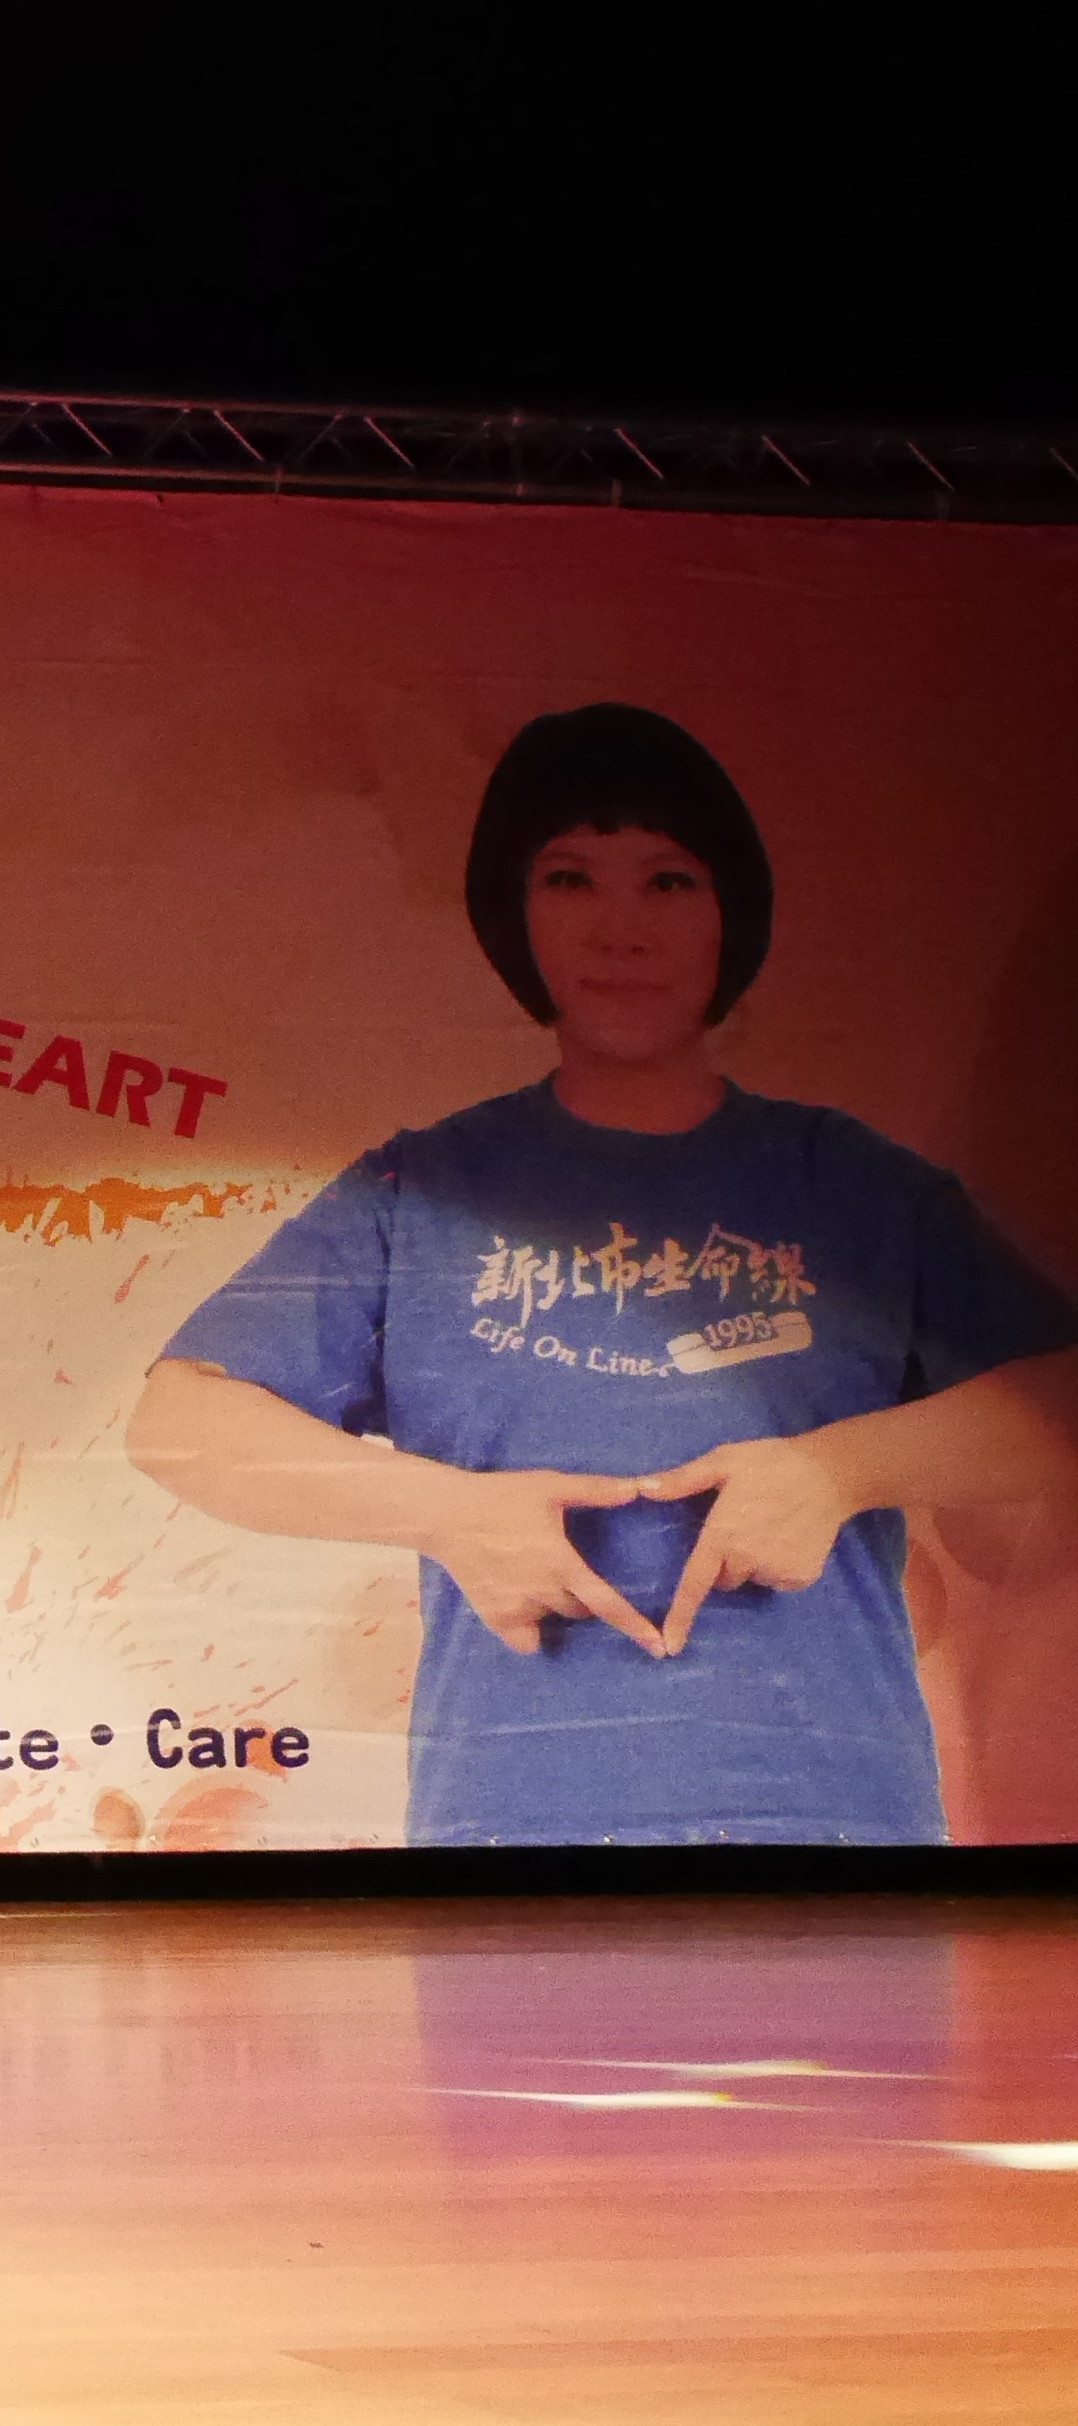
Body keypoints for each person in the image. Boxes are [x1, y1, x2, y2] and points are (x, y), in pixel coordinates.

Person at [127, 704, 1078, 1845]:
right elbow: (177, 1419)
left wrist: (836, 1473)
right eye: (570, 878)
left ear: (730, 913)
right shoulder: (421, 1193)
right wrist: (449, 1514)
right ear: (514, 915)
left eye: (667, 881)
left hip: (835, 1841)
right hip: (511, 1844)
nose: (620, 929)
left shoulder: (851, 1183)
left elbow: (1058, 1401)